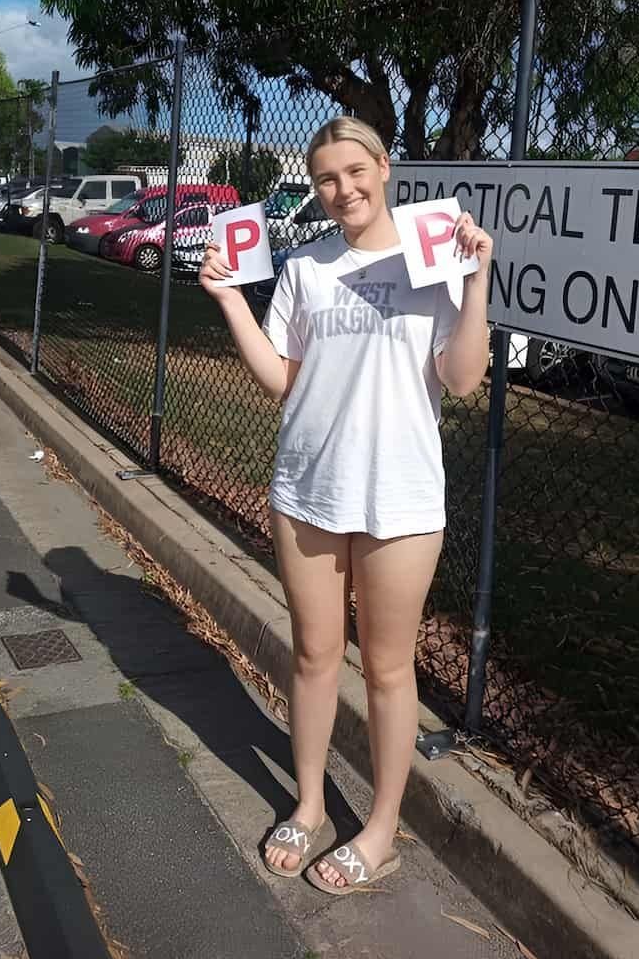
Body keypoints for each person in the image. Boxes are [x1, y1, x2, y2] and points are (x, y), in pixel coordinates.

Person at [199, 116, 493, 895]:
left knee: (389, 670)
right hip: (308, 490)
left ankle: (383, 826)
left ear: (385, 166)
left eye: (355, 171)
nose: (343, 189)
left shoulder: (435, 256)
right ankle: (308, 803)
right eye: (327, 177)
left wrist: (477, 279)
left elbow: (463, 379)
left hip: (398, 497)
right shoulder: (306, 267)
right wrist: (228, 298)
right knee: (312, 654)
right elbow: (283, 381)